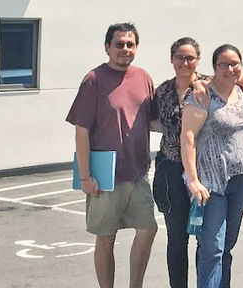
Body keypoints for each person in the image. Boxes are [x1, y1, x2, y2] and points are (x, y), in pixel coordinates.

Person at [66, 22, 158, 288]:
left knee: (148, 229)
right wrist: (85, 176)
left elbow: (152, 122)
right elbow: (81, 130)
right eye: (119, 44)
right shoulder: (93, 80)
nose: (124, 49)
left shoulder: (143, 77)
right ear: (107, 47)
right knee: (106, 237)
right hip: (105, 176)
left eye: (130, 44)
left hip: (138, 173)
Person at [182, 44, 243, 288]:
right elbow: (188, 137)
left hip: (240, 180)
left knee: (227, 246)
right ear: (214, 68)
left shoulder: (241, 89)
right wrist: (193, 180)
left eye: (234, 63)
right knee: (212, 247)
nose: (229, 69)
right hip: (211, 184)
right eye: (223, 64)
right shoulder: (202, 96)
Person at [152, 37, 205, 288]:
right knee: (177, 238)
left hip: (203, 172)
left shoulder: (209, 86)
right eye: (180, 57)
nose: (185, 62)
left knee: (205, 238)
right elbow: (149, 121)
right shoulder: (162, 91)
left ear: (198, 60)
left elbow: (241, 79)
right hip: (171, 171)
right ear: (172, 59)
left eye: (190, 58)